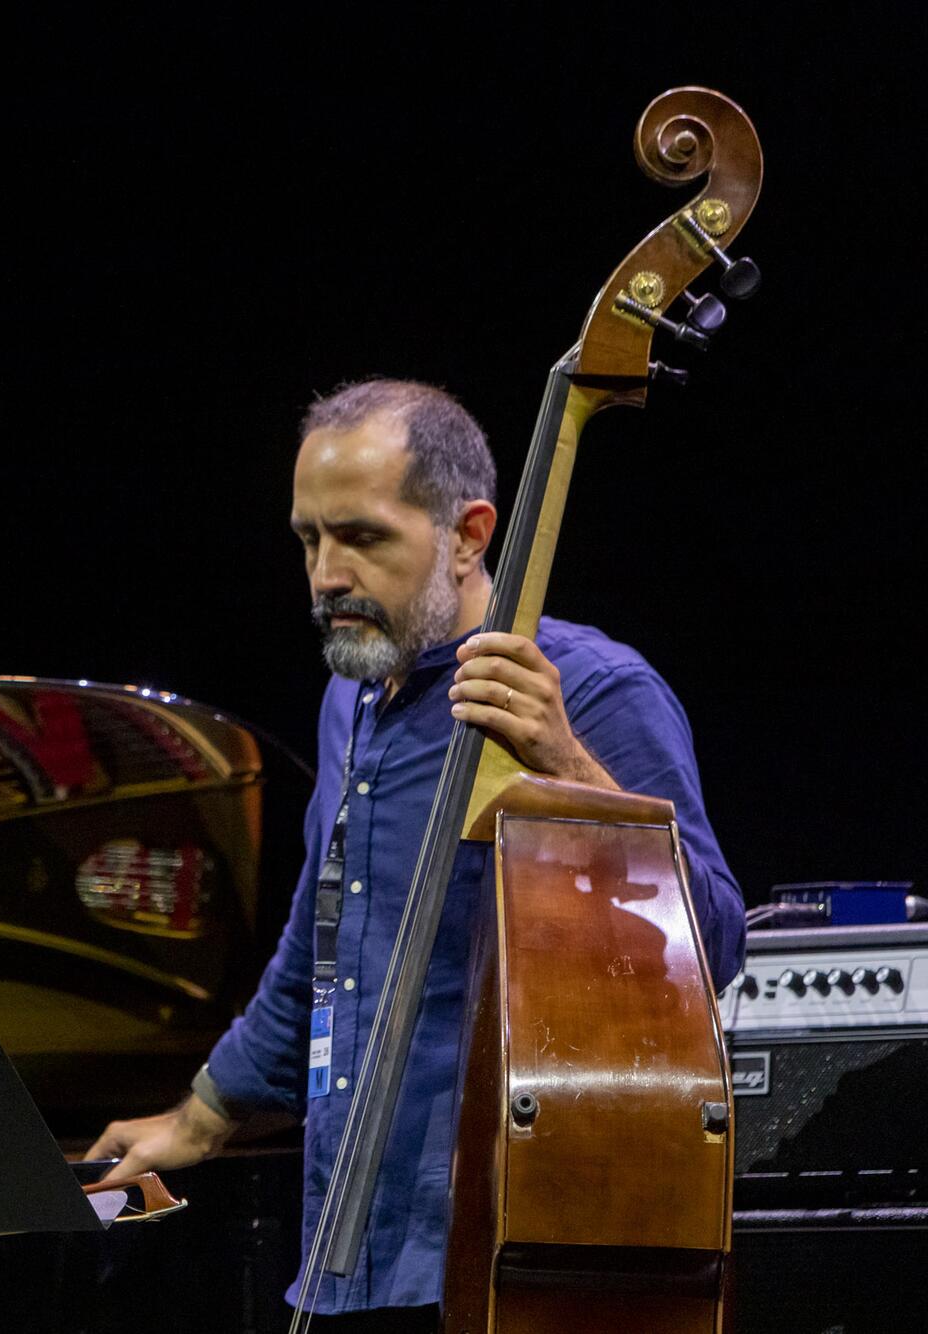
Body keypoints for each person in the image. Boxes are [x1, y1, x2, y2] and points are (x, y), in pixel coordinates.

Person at [85, 379, 745, 1330]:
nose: (325, 574)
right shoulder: (352, 696)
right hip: (348, 1246)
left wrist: (567, 763)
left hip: (501, 1238)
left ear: (470, 534)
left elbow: (714, 943)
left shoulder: (593, 690)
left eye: (362, 536)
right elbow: (320, 960)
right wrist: (199, 1117)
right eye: (309, 540)